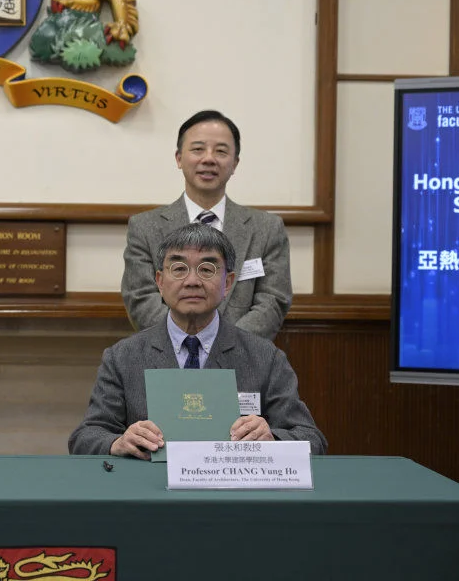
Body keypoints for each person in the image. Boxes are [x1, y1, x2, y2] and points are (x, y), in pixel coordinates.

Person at [70, 223, 325, 459]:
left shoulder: (265, 357)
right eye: (179, 269)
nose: (192, 281)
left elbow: (312, 439)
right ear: (160, 281)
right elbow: (85, 437)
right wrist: (117, 442)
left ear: (227, 283)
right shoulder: (123, 357)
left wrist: (272, 438)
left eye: (207, 269)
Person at [121, 110, 292, 339]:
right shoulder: (144, 227)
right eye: (198, 149)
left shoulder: (267, 229)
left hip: (242, 360)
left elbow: (272, 302)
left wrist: (223, 347)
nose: (208, 158)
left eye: (221, 151)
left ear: (235, 163)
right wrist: (188, 344)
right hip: (168, 362)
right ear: (179, 158)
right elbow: (140, 298)